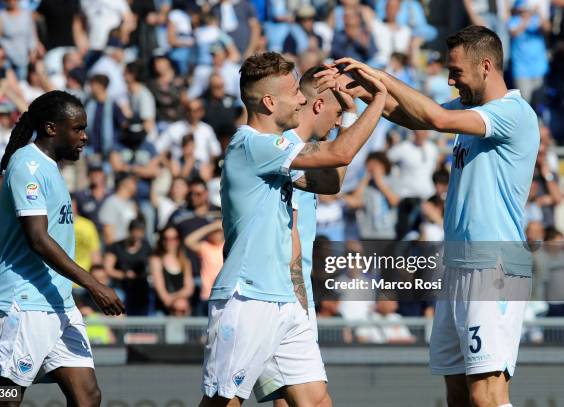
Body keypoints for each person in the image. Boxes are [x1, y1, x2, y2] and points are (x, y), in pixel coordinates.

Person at [332, 25, 539, 407]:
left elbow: (436, 119)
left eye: (456, 72)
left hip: (493, 268)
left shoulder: (513, 113)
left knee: (487, 395)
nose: (449, 79)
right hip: (458, 265)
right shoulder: (471, 110)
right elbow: (414, 116)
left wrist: (380, 75)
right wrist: (365, 92)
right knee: (458, 392)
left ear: (486, 66)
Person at [200, 52, 387, 406]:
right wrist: (377, 100)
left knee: (316, 401)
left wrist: (346, 115)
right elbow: (340, 154)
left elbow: (329, 182)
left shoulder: (279, 152)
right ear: (270, 102)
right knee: (222, 403)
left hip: (284, 299)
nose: (302, 99)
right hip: (248, 295)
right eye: (294, 93)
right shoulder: (252, 144)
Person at [0, 90, 124, 406]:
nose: (84, 137)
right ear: (51, 128)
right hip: (23, 301)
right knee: (3, 398)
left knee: (87, 396)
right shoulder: (27, 165)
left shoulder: (50, 168)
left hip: (57, 302)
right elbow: (38, 238)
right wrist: (94, 285)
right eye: (77, 129)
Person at [253, 64, 358, 405]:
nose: (337, 120)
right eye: (337, 111)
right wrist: (298, 305)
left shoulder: (301, 153)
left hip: (288, 296)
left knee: (288, 401)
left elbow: (334, 181)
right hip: (283, 296)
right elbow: (289, 233)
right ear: (318, 106)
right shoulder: (285, 152)